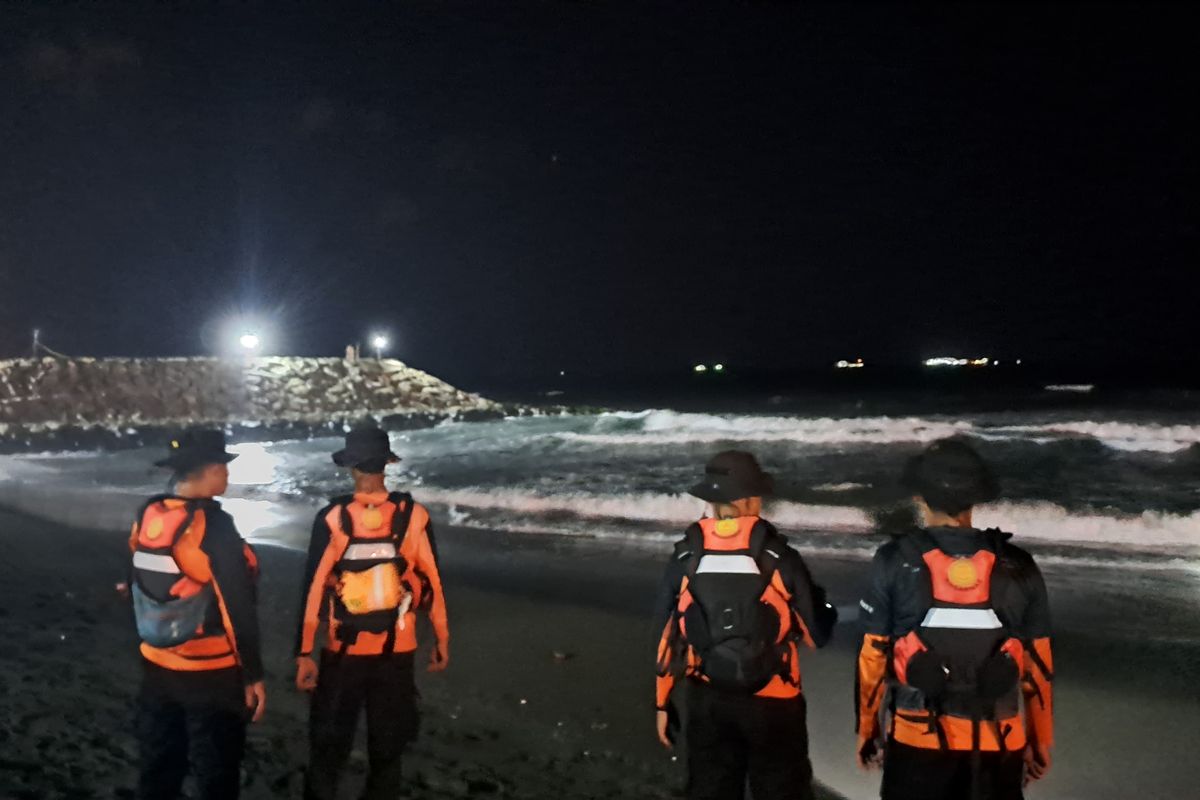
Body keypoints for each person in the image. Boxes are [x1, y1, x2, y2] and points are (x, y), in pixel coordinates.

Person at [855, 438, 1054, 800]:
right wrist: (1040, 739)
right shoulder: (1018, 564)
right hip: (1000, 741)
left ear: (918, 495)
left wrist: (868, 730)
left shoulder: (892, 560)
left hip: (917, 741)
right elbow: (1038, 665)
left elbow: (874, 656)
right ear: (976, 497)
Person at [654, 450, 838, 800]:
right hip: (774, 700)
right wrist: (824, 604)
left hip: (706, 696)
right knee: (782, 789)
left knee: (711, 788)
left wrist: (663, 703)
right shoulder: (779, 556)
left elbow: (667, 636)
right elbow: (817, 635)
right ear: (751, 498)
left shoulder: (685, 555)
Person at [294, 426, 450, 800]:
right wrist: (442, 637)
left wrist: (302, 652)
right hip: (397, 651)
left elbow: (314, 588)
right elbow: (434, 581)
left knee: (329, 748)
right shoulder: (414, 516)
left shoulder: (332, 517)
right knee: (388, 750)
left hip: (342, 650)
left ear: (350, 468)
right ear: (387, 464)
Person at [129, 429, 265, 800]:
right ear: (207, 469)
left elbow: (139, 579)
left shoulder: (150, 512)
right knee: (216, 770)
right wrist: (253, 675)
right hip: (209, 673)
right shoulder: (214, 525)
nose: (227, 474)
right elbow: (236, 604)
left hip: (156, 663)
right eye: (223, 465)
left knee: (159, 764)